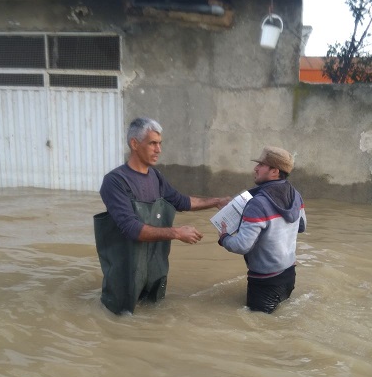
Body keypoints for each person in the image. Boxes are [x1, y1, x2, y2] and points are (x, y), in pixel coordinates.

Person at [94, 117, 230, 315]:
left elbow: (182, 201)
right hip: (125, 277)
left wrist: (217, 201)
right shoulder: (115, 181)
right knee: (121, 322)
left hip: (154, 271)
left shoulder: (156, 177)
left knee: (153, 319)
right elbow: (131, 228)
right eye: (152, 143)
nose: (159, 150)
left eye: (160, 144)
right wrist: (176, 233)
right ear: (134, 144)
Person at [217, 146, 306, 313]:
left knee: (257, 329)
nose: (255, 168)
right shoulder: (295, 195)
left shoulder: (258, 203)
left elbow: (242, 245)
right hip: (289, 275)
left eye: (261, 165)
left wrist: (224, 237)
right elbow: (301, 226)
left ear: (274, 171)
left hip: (265, 283)